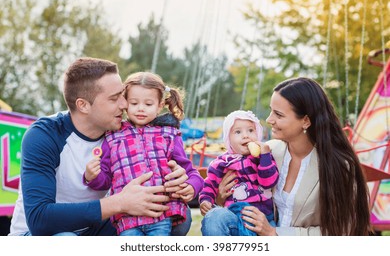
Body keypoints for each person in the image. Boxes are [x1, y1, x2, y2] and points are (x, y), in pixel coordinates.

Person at [8, 57, 192, 236]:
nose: (124, 104)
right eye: (114, 99)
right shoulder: (44, 135)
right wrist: (119, 203)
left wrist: (178, 180)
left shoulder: (121, 133)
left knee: (172, 214)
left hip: (93, 228)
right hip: (36, 235)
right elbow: (40, 220)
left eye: (122, 95)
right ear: (83, 105)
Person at [205, 77, 372, 236]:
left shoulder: (339, 165)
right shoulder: (267, 152)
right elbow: (239, 194)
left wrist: (274, 233)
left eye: (279, 114)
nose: (269, 120)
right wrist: (221, 197)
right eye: (271, 111)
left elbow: (344, 231)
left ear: (305, 121)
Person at [83, 71, 203, 236]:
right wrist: (92, 176)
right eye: (134, 103)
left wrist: (192, 186)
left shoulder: (169, 134)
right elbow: (105, 180)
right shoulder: (113, 136)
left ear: (159, 105)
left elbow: (190, 171)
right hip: (127, 220)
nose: (140, 109)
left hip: (161, 215)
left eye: (148, 104)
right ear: (125, 102)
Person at [199, 110, 279, 236]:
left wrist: (264, 157)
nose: (246, 136)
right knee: (214, 217)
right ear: (228, 139)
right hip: (235, 215)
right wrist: (206, 200)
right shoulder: (221, 163)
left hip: (264, 217)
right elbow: (209, 185)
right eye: (238, 132)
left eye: (251, 130)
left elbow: (268, 182)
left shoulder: (263, 158)